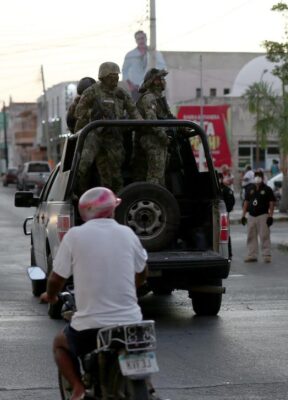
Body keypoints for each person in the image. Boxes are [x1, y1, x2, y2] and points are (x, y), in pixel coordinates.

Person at [40, 187, 148, 400]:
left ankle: (78, 389)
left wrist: (50, 295)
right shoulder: (128, 233)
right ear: (111, 211)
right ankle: (148, 386)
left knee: (59, 344)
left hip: (91, 328)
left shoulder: (75, 236)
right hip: (132, 323)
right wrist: (130, 288)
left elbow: (56, 278)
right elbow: (142, 271)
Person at [74, 61, 142, 195]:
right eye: (112, 77)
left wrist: (141, 123)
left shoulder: (121, 93)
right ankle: (77, 193)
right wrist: (93, 115)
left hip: (114, 135)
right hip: (95, 134)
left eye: (117, 76)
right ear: (103, 77)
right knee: (83, 164)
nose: (115, 79)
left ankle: (116, 199)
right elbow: (79, 112)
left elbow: (133, 111)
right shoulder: (92, 91)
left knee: (114, 173)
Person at [134, 68, 172, 185]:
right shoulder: (149, 97)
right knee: (155, 176)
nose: (164, 81)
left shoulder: (158, 98)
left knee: (160, 176)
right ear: (155, 81)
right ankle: (153, 199)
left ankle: (158, 199)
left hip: (158, 139)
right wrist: (164, 137)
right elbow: (152, 120)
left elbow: (169, 117)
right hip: (151, 139)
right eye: (161, 79)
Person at [241, 170, 276, 263]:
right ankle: (252, 255)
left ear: (262, 178)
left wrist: (270, 216)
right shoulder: (250, 188)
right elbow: (246, 202)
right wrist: (243, 215)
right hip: (251, 216)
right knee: (251, 236)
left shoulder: (267, 189)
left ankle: (266, 255)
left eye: (259, 176)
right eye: (256, 176)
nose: (257, 178)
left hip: (263, 215)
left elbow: (272, 203)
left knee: (264, 235)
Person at [122, 30, 167, 101]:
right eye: (138, 39)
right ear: (136, 40)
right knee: (138, 110)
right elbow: (124, 71)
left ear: (146, 38)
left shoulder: (155, 53)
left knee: (153, 108)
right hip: (137, 89)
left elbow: (162, 67)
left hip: (152, 88)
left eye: (142, 38)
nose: (141, 41)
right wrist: (130, 85)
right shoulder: (130, 55)